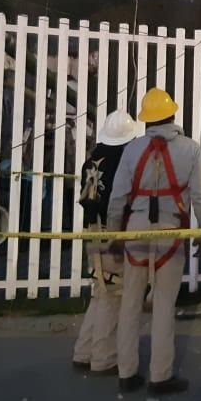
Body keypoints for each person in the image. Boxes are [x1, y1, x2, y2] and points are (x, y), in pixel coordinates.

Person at [108, 88, 201, 395]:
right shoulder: (191, 150)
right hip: (171, 229)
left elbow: (118, 196)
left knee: (130, 302)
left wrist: (115, 234)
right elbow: (200, 198)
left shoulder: (131, 150)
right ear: (173, 114)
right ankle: (160, 376)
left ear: (146, 120)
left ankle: (126, 373)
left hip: (136, 227)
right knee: (164, 304)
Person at [72, 110, 143, 375]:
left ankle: (84, 351)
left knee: (101, 289)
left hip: (92, 231)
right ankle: (103, 357)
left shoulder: (90, 161)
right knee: (113, 294)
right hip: (111, 232)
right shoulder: (123, 162)